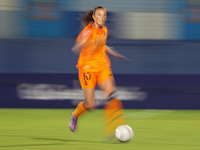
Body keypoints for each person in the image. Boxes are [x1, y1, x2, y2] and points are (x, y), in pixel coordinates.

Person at [69, 6, 129, 140]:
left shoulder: (105, 30)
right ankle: (75, 115)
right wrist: (84, 43)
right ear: (94, 17)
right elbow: (77, 46)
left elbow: (102, 45)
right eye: (99, 15)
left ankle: (114, 129)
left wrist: (114, 54)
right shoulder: (87, 31)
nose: (102, 17)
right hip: (88, 69)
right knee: (90, 105)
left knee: (112, 94)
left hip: (103, 67)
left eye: (104, 15)